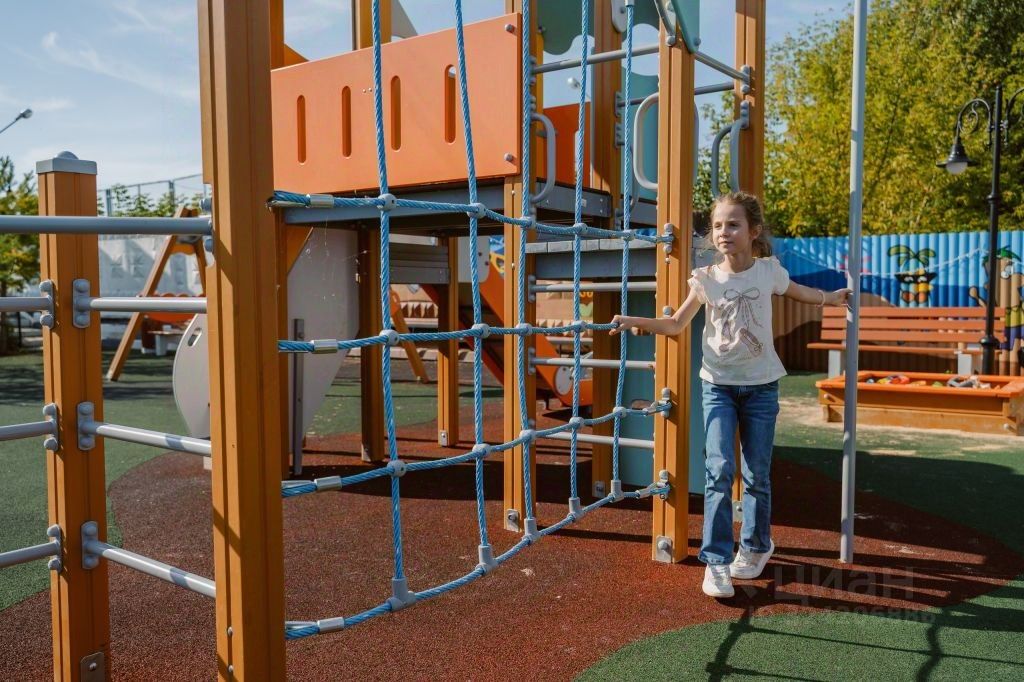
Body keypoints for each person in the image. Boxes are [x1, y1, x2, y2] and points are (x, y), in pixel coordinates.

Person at [610, 192, 852, 598]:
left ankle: (756, 546)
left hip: (762, 386)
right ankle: (717, 561)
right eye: (718, 225)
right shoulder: (707, 278)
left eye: (733, 224)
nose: (724, 232)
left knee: (756, 473)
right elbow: (676, 324)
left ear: (754, 231)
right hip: (718, 387)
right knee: (719, 470)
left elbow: (800, 292)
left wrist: (831, 298)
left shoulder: (767, 271)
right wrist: (638, 321)